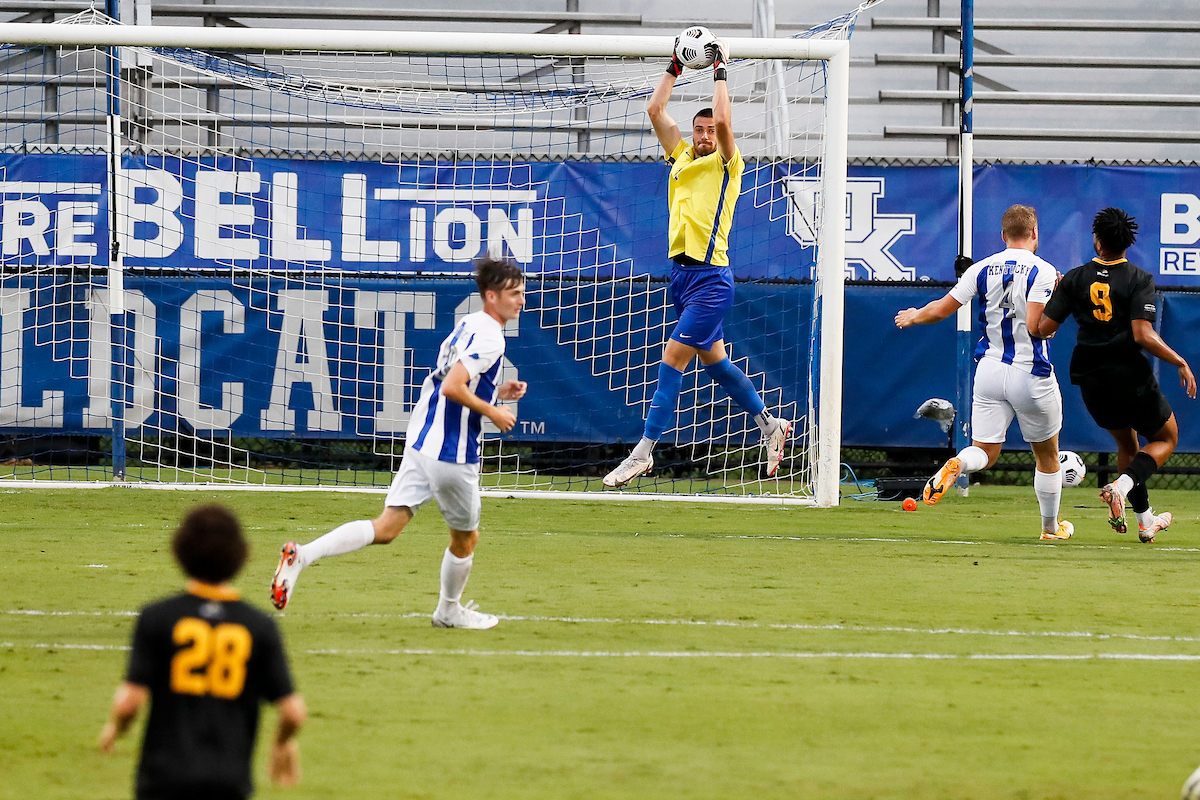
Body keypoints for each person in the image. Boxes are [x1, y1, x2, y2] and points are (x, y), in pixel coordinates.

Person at [270, 256, 527, 629]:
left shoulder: (469, 323)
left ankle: (302, 556)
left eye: (521, 292)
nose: (521, 300)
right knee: (466, 538)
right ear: (491, 295)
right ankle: (448, 612)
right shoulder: (489, 336)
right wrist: (495, 411)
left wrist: (499, 390)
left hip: (423, 438)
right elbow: (455, 387)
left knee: (387, 527)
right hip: (450, 452)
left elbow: (446, 381)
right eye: (513, 293)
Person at [602, 36, 790, 488]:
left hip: (710, 280)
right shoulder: (683, 155)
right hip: (681, 277)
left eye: (710, 131)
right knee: (717, 364)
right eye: (699, 130)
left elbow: (724, 117)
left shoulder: (729, 161)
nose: (706, 135)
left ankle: (642, 453)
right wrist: (674, 66)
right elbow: (654, 110)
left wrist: (720, 69)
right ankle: (771, 425)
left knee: (672, 359)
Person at [99, 504, 306, 800]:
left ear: (179, 551)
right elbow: (294, 713)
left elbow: (129, 703)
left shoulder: (158, 617)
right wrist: (282, 743)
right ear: (241, 556)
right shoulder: (258, 626)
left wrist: (115, 729)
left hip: (163, 777)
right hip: (228, 779)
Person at [895, 204, 1073, 540]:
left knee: (985, 452)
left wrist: (915, 315)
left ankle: (959, 464)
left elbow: (942, 309)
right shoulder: (1045, 271)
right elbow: (1039, 329)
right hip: (1029, 372)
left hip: (989, 370)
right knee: (1047, 456)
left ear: (1003, 236)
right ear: (1034, 234)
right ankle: (1050, 529)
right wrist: (1060, 307)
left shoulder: (982, 268)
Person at [1033, 207, 1196, 542]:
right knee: (1167, 438)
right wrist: (1179, 360)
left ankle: (1145, 521)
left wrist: (1060, 291)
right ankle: (1121, 486)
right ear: (1127, 243)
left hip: (1091, 377)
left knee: (1127, 444)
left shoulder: (1076, 278)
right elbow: (1142, 334)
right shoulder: (1139, 279)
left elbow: (1043, 328)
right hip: (1128, 374)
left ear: (1098, 240)